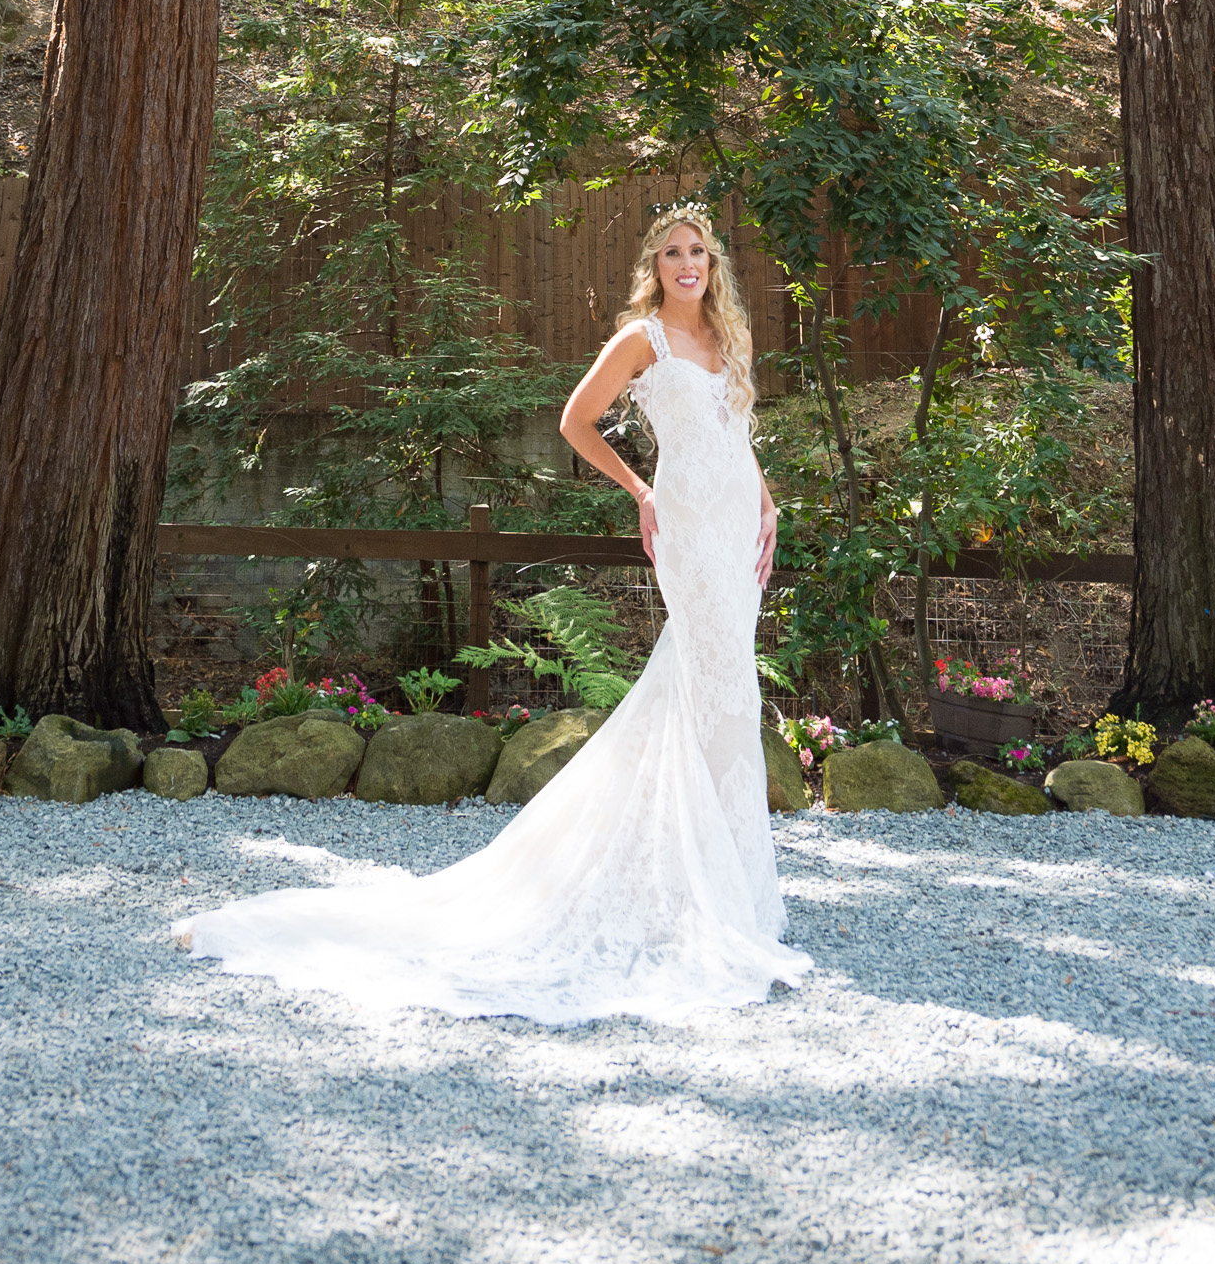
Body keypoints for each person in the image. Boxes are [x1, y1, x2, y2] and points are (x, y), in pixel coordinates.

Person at [175, 206, 812, 1022]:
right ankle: (699, 892)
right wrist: (643, 492)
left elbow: (736, 432)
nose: (685, 264)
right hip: (688, 522)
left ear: (713, 263)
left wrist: (765, 503)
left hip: (737, 523)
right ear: (654, 268)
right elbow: (575, 422)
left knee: (725, 697)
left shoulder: (729, 337)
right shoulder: (641, 339)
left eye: (696, 252)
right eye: (670, 254)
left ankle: (720, 889)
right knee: (713, 684)